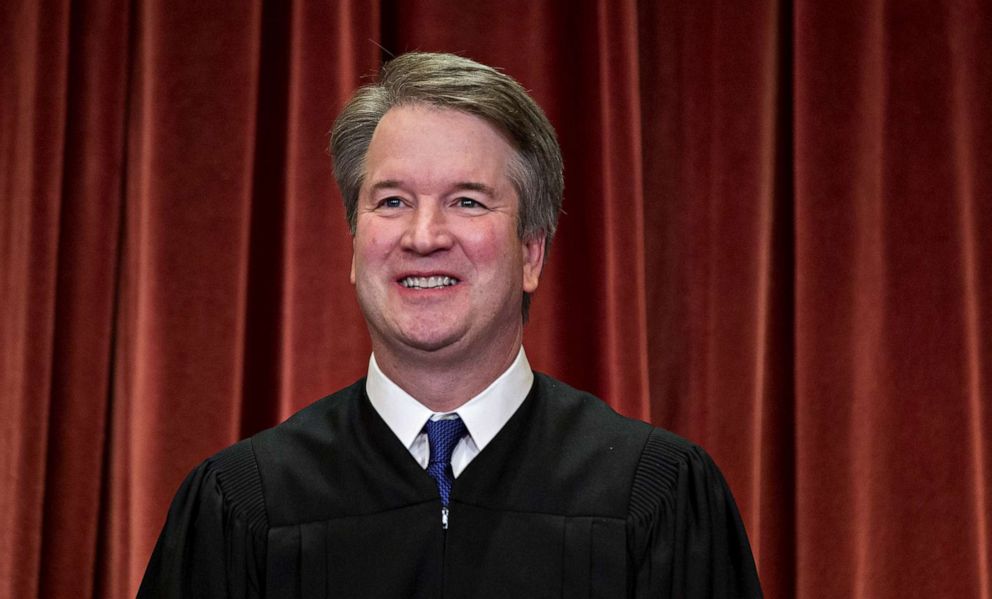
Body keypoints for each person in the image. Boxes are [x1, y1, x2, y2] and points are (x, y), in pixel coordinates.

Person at [138, 52, 762, 598]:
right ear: (355, 247)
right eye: (391, 201)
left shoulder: (655, 495)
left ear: (532, 252)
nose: (424, 236)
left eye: (467, 201)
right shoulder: (244, 504)